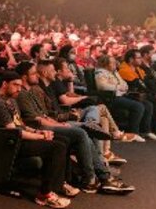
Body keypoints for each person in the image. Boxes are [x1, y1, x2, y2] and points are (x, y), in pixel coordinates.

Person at [16, 61, 134, 195]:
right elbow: (36, 120)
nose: (36, 75)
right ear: (24, 77)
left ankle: (98, 175)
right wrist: (59, 123)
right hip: (41, 128)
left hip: (51, 122)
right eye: (33, 73)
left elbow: (48, 113)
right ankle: (96, 177)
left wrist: (61, 119)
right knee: (83, 132)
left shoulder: (35, 89)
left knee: (88, 128)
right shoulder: (22, 94)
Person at [0, 71, 73, 208]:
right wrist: (40, 137)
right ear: (4, 84)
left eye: (20, 86)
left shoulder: (11, 99)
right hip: (11, 144)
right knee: (57, 147)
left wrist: (39, 131)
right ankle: (44, 195)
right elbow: (14, 132)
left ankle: (59, 183)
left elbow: (20, 124)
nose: (19, 89)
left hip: (20, 138)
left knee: (64, 140)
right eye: (15, 85)